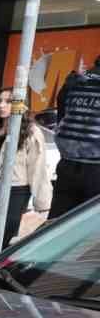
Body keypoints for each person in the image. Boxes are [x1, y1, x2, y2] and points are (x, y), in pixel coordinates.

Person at [0, 88, 51, 265]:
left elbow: (37, 169)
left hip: (14, 192)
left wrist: (42, 203)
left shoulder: (30, 132)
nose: (1, 105)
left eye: (8, 101)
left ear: (20, 105)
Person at [49, 64, 100, 219]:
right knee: (89, 229)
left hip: (67, 164)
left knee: (58, 222)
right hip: (95, 168)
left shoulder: (74, 82)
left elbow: (61, 117)